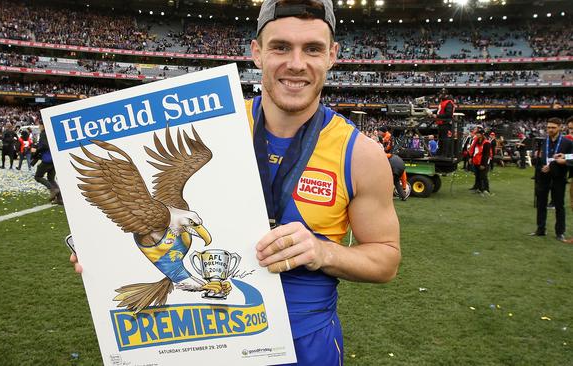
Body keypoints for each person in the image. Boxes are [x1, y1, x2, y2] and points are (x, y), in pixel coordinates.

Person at [72, 1, 401, 365]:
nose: (296, 63)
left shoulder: (361, 154)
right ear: (257, 53)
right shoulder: (213, 130)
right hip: (203, 336)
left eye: (312, 48)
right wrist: (102, 252)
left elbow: (385, 259)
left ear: (332, 55)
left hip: (305, 344)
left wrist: (324, 252)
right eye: (280, 47)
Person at [530, 117, 573, 241]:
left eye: (553, 127)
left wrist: (563, 161)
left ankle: (560, 232)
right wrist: (540, 169)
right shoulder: (543, 141)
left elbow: (572, 159)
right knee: (541, 204)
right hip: (543, 177)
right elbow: (539, 159)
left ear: (560, 128)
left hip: (559, 177)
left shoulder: (567, 143)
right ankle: (540, 229)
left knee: (559, 205)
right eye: (548, 127)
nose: (550, 130)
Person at [32, 120, 61, 204]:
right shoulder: (52, 133)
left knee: (38, 176)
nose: (39, 127)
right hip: (54, 159)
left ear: (43, 126)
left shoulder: (44, 133)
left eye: (40, 125)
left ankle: (52, 189)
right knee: (51, 178)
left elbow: (44, 145)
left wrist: (36, 151)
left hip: (47, 159)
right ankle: (60, 199)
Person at [468, 128, 492, 196]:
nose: (477, 135)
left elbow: (486, 155)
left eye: (478, 134)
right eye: (477, 133)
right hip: (476, 161)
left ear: (482, 135)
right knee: (477, 175)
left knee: (483, 176)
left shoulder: (486, 143)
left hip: (482, 162)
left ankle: (486, 189)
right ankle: (478, 188)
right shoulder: (476, 141)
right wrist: (471, 158)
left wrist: (483, 164)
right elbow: (474, 150)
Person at [431, 89, 455, 157]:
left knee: (445, 139)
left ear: (445, 94)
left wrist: (437, 116)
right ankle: (440, 152)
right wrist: (432, 112)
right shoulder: (443, 102)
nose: (439, 95)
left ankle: (445, 154)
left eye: (440, 94)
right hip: (441, 123)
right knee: (441, 139)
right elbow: (439, 110)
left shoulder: (449, 102)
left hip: (446, 124)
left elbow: (448, 114)